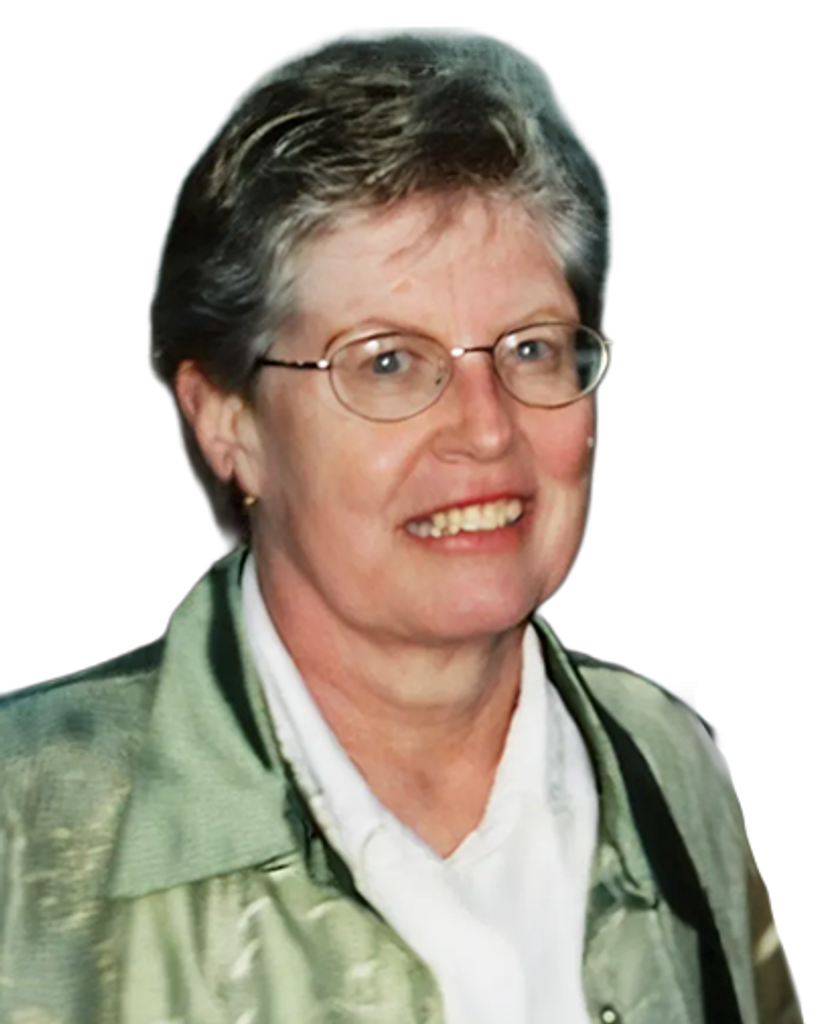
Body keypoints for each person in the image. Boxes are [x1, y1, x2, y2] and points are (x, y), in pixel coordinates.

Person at [0, 26, 802, 1024]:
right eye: (386, 362)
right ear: (228, 421)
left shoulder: (676, 772)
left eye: (531, 348)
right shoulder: (24, 834)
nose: (486, 427)